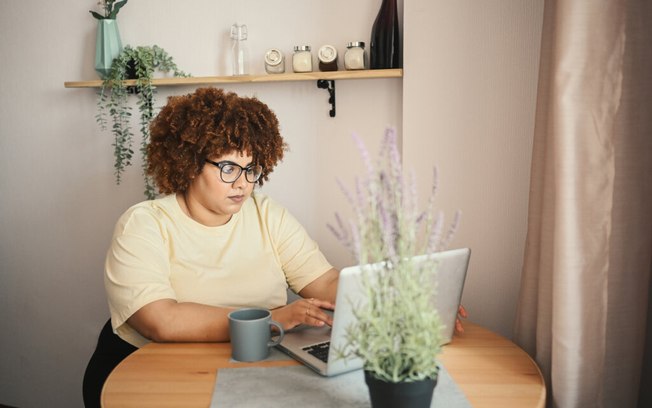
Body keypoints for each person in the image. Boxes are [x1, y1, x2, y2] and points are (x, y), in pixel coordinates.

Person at [82, 87, 338, 407]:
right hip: (153, 375)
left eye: (251, 169)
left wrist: (380, 292)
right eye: (228, 168)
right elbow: (161, 319)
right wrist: (275, 319)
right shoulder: (144, 224)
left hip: (251, 369)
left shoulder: (267, 214)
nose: (243, 183)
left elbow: (325, 282)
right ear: (188, 163)